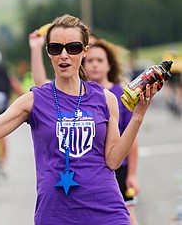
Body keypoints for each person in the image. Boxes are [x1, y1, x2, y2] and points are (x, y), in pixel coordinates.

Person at [0, 14, 160, 224]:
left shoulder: (106, 99)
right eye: (56, 48)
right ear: (49, 52)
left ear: (85, 51)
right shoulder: (34, 100)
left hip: (107, 212)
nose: (64, 55)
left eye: (73, 47)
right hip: (56, 214)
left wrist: (138, 115)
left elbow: (114, 160)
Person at [28, 27, 140, 224]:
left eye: (100, 61)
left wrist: (132, 174)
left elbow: (132, 138)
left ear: (109, 65)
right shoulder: (71, 92)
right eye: (91, 61)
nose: (95, 65)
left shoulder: (117, 95)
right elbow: (42, 86)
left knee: (128, 213)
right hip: (81, 181)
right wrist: (35, 50)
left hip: (115, 169)